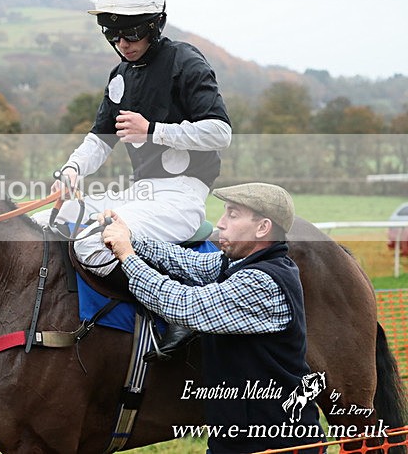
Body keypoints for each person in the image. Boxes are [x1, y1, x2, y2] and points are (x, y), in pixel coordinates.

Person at [32, 0, 232, 356]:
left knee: (93, 243)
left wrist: (153, 130)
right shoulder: (120, 75)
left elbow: (220, 131)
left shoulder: (185, 61)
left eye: (132, 33)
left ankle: (173, 312)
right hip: (140, 194)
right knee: (46, 222)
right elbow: (99, 138)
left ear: (156, 25)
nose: (123, 43)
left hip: (182, 197)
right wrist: (70, 170)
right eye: (113, 34)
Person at [100, 182, 325, 454]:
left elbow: (183, 306)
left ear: (263, 227)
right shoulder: (235, 264)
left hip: (278, 447)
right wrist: (131, 237)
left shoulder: (262, 282)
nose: (220, 223)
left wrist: (127, 256)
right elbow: (183, 261)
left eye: (232, 214)